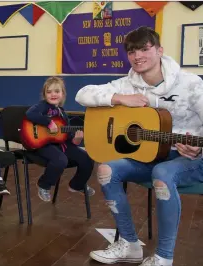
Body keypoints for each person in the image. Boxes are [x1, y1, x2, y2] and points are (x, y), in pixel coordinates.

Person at [75, 26, 203, 266]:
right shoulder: (127, 83)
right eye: (132, 51)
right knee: (106, 170)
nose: (138, 56)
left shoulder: (191, 84)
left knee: (162, 173)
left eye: (145, 49)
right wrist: (119, 99)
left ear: (159, 51)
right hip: (151, 154)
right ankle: (129, 245)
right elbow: (82, 94)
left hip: (189, 159)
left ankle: (164, 257)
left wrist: (200, 148)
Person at [26, 76, 95, 202]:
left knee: (87, 158)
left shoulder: (62, 113)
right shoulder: (42, 106)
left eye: (57, 91)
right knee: (60, 160)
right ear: (44, 94)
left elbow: (67, 136)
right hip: (43, 144)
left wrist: (76, 140)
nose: (53, 94)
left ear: (63, 94)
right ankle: (44, 184)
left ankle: (77, 185)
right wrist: (48, 123)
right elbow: (30, 114)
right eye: (49, 92)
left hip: (61, 144)